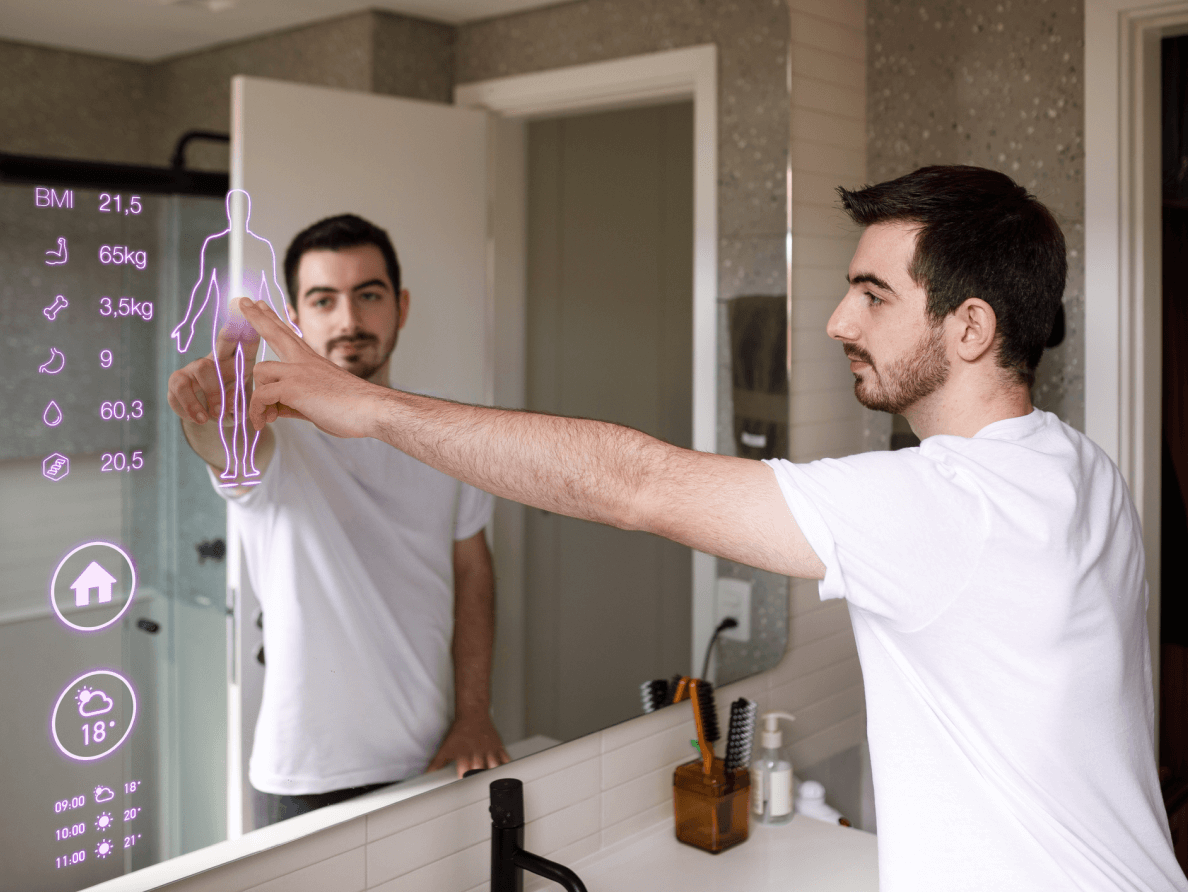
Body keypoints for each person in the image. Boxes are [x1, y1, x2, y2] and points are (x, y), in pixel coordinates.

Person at [236, 165, 1187, 890]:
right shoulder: (1071, 464)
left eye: (873, 294)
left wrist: (372, 412)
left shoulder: (944, 505)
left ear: (970, 327)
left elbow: (635, 486)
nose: (835, 320)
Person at [167, 213, 508, 824]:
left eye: (368, 295)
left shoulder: (443, 437)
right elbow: (225, 446)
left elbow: (473, 578)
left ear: (400, 306)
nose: (349, 321)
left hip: (433, 756)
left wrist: (474, 712)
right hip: (308, 775)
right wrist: (208, 415)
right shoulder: (273, 437)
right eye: (323, 300)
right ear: (294, 319)